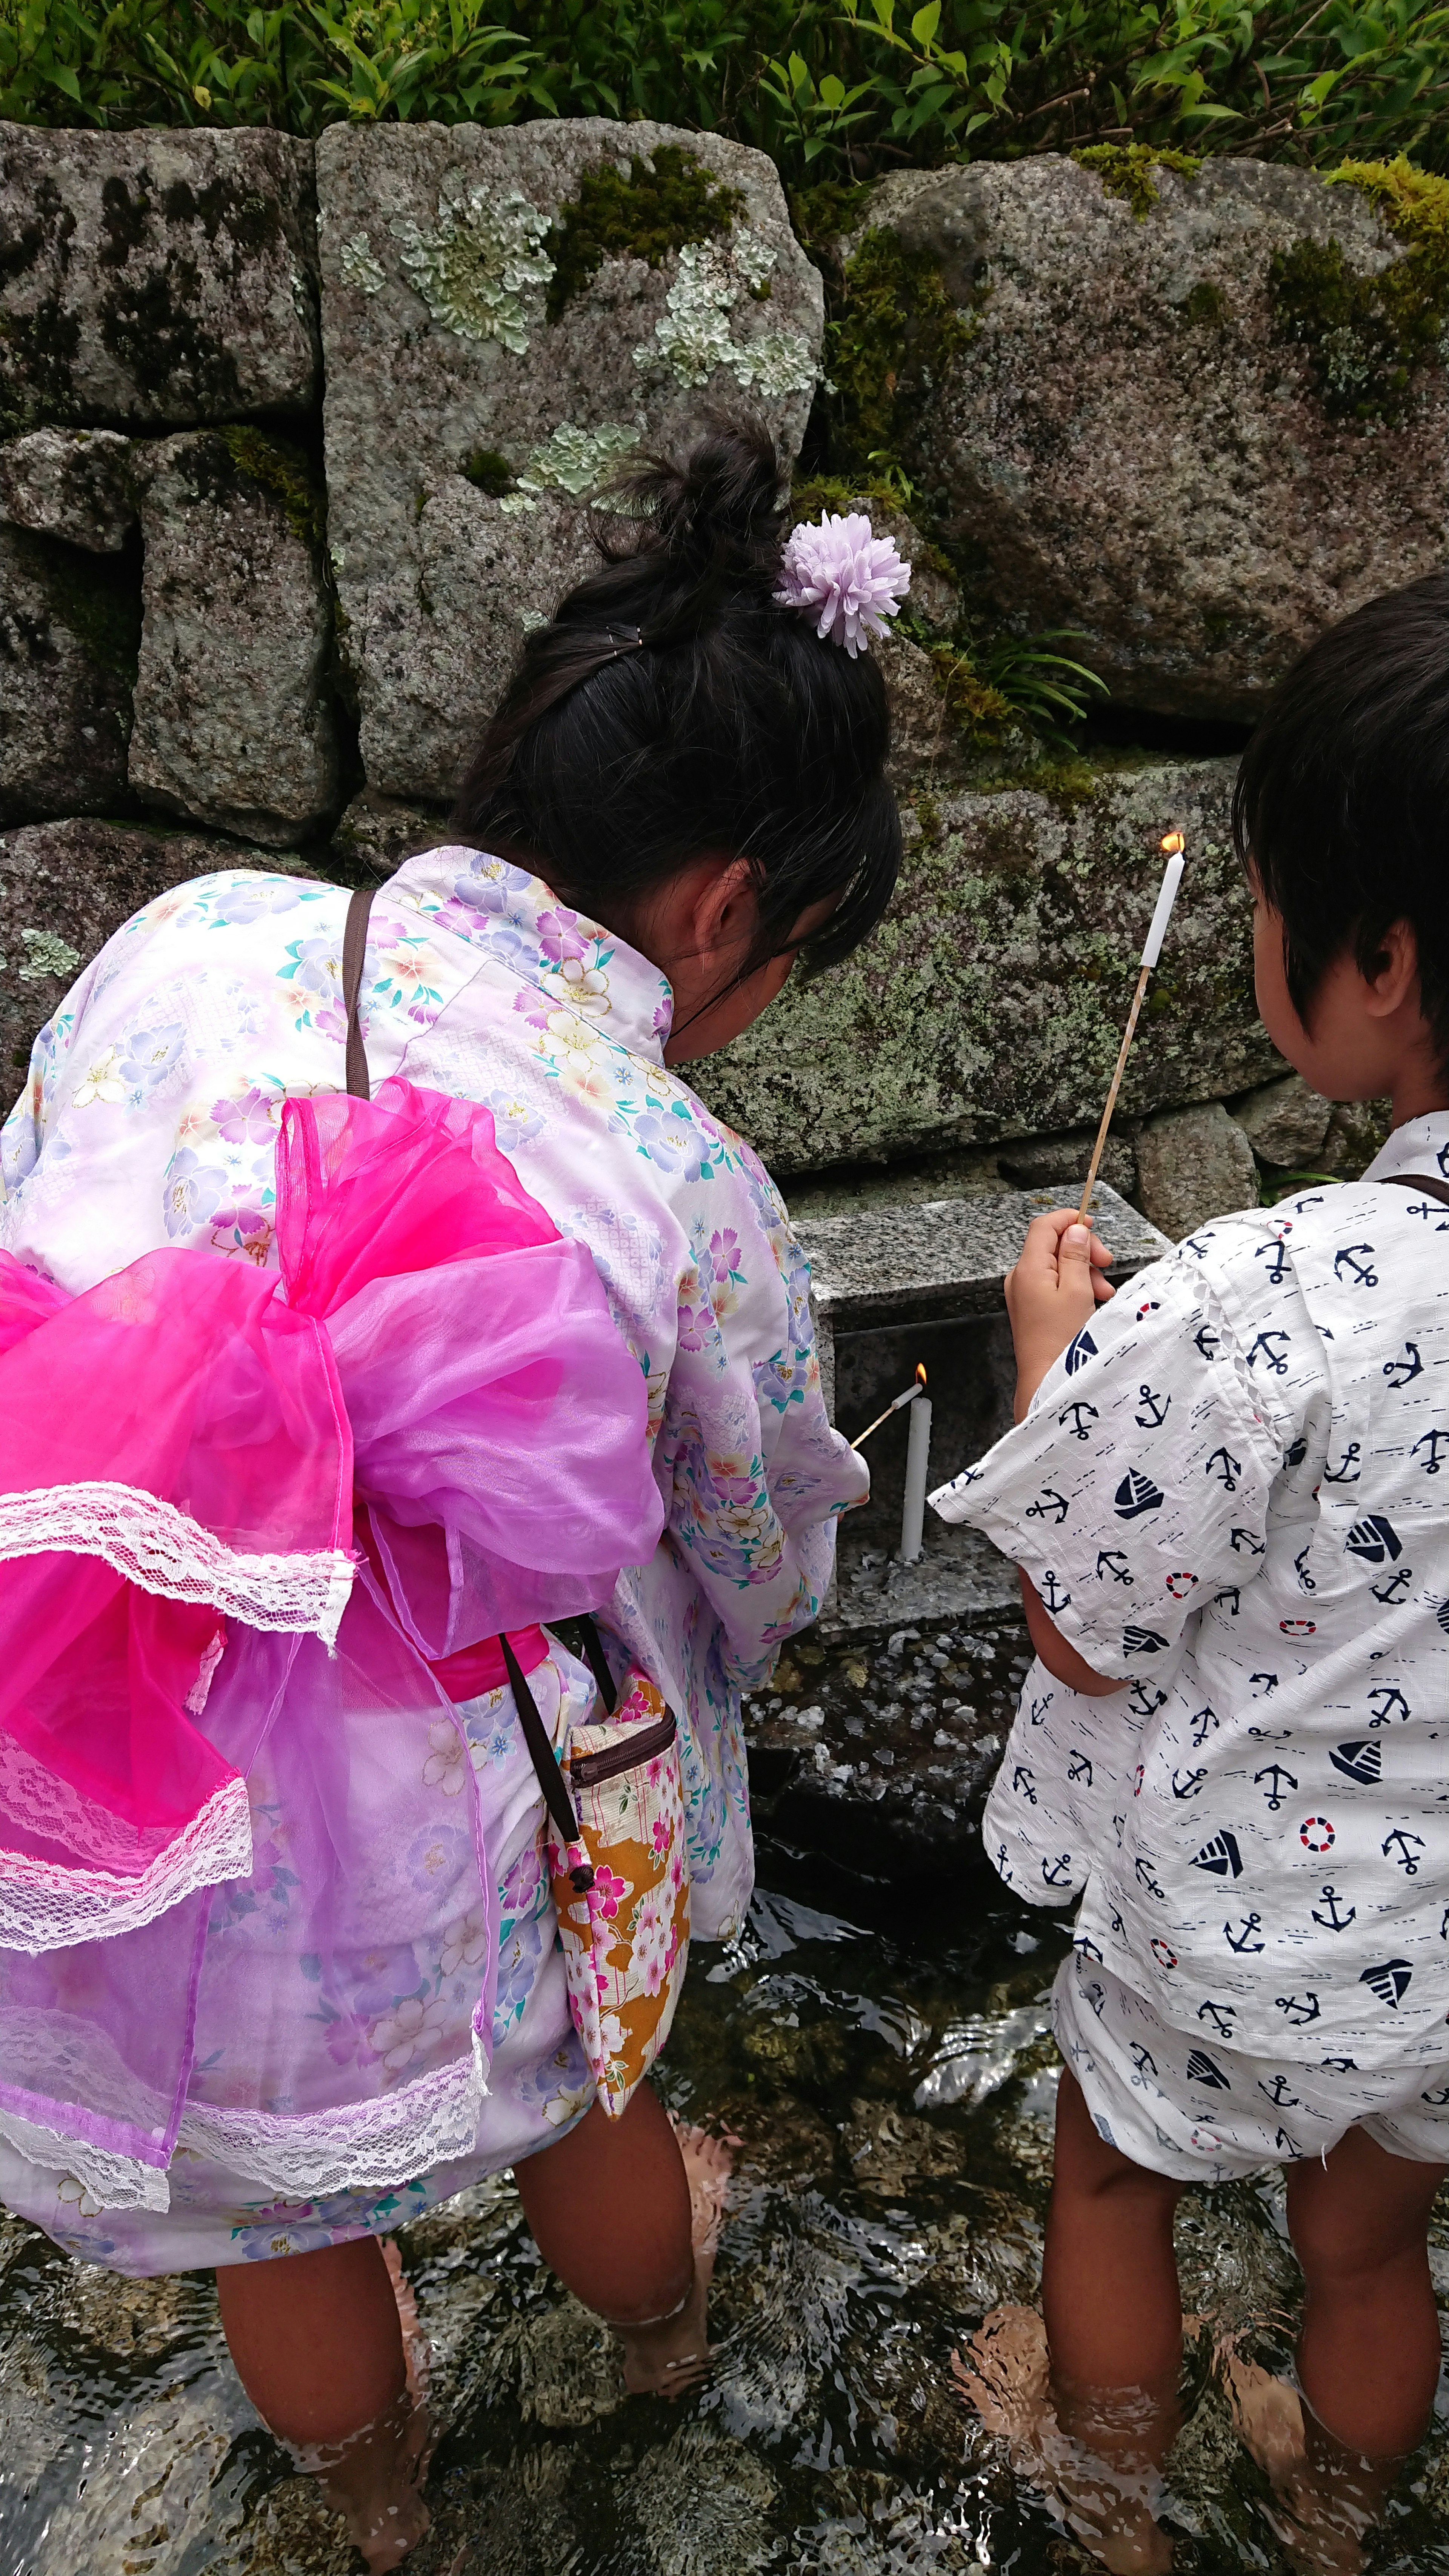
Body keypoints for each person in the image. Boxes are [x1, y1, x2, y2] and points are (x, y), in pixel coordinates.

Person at [0, 419, 905, 2567]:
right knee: (593, 2092)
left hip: (118, 1751)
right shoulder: (674, 1168)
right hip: (468, 1785)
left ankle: (378, 2506)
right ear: (720, 914)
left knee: (263, 2200)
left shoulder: (198, 937)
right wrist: (759, 1643)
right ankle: (666, 2354)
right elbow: (755, 1516)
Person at [934, 572, 1449, 2575]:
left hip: (1229, 1935)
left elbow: (1085, 1618)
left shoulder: (1282, 1289)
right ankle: (1334, 2530)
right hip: (1440, 1958)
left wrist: (1061, 1368)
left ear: (1381, 957)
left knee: (1111, 2191)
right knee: (1369, 2245)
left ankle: (1112, 2500)